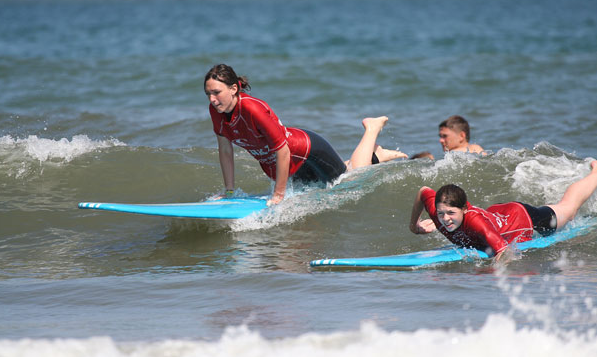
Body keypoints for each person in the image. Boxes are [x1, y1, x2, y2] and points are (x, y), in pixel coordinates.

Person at [204, 64, 407, 205]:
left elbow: (282, 149)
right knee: (326, 189)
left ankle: (371, 130)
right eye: (208, 94)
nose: (212, 99)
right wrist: (229, 192)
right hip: (287, 166)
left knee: (347, 184)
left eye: (216, 92)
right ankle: (376, 156)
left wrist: (279, 194)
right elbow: (225, 150)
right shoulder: (217, 112)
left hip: (308, 151)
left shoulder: (252, 109)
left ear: (233, 88)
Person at [409, 160, 597, 261]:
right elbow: (423, 191)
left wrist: (488, 272)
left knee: (568, 210)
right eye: (441, 214)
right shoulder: (437, 211)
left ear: (465, 209)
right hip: (497, 214)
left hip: (521, 218)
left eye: (451, 213)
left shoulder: (477, 224)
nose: (445, 219)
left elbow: (505, 252)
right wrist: (414, 226)